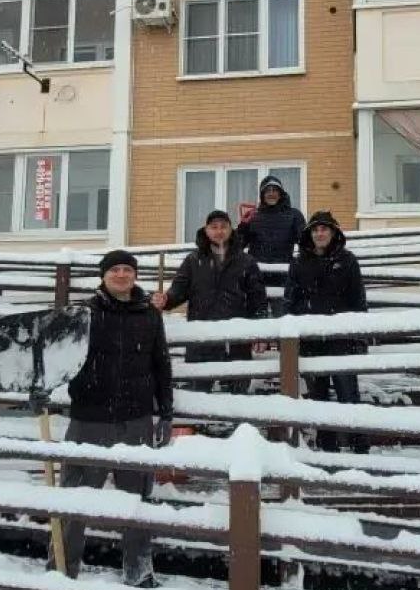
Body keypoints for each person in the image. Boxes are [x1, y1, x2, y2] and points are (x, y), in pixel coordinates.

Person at [36, 250, 172, 590]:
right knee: (73, 505)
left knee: (137, 501)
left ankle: (139, 571)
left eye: (128, 269)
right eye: (115, 269)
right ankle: (59, 580)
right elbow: (56, 358)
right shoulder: (84, 314)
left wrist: (166, 412)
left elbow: (161, 363)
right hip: (89, 420)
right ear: (104, 275)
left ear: (135, 275)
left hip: (135, 420)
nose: (122, 275)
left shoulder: (149, 314)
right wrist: (41, 387)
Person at [152, 209, 269, 394]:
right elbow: (178, 291)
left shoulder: (246, 261)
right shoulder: (193, 261)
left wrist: (261, 332)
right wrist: (166, 299)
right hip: (201, 338)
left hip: (236, 340)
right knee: (199, 395)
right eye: (214, 227)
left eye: (223, 226)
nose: (219, 231)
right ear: (206, 230)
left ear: (231, 230)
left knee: (238, 396)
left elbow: (258, 299)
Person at [284, 210, 369, 453]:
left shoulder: (347, 261)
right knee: (319, 397)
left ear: (333, 233)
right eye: (315, 230)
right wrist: (292, 332)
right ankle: (327, 449)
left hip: (342, 338)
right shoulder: (299, 263)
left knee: (348, 394)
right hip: (311, 340)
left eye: (324, 229)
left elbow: (358, 300)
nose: (319, 234)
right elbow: (290, 301)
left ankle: (359, 447)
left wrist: (360, 337)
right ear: (309, 234)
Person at [238, 175, 306, 316]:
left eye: (275, 190)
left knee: (281, 320)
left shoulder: (294, 215)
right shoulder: (253, 215)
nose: (271, 193)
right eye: (267, 190)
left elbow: (305, 243)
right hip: (256, 277)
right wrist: (243, 226)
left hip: (283, 277)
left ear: (281, 193)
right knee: (256, 321)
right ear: (262, 195)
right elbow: (238, 245)